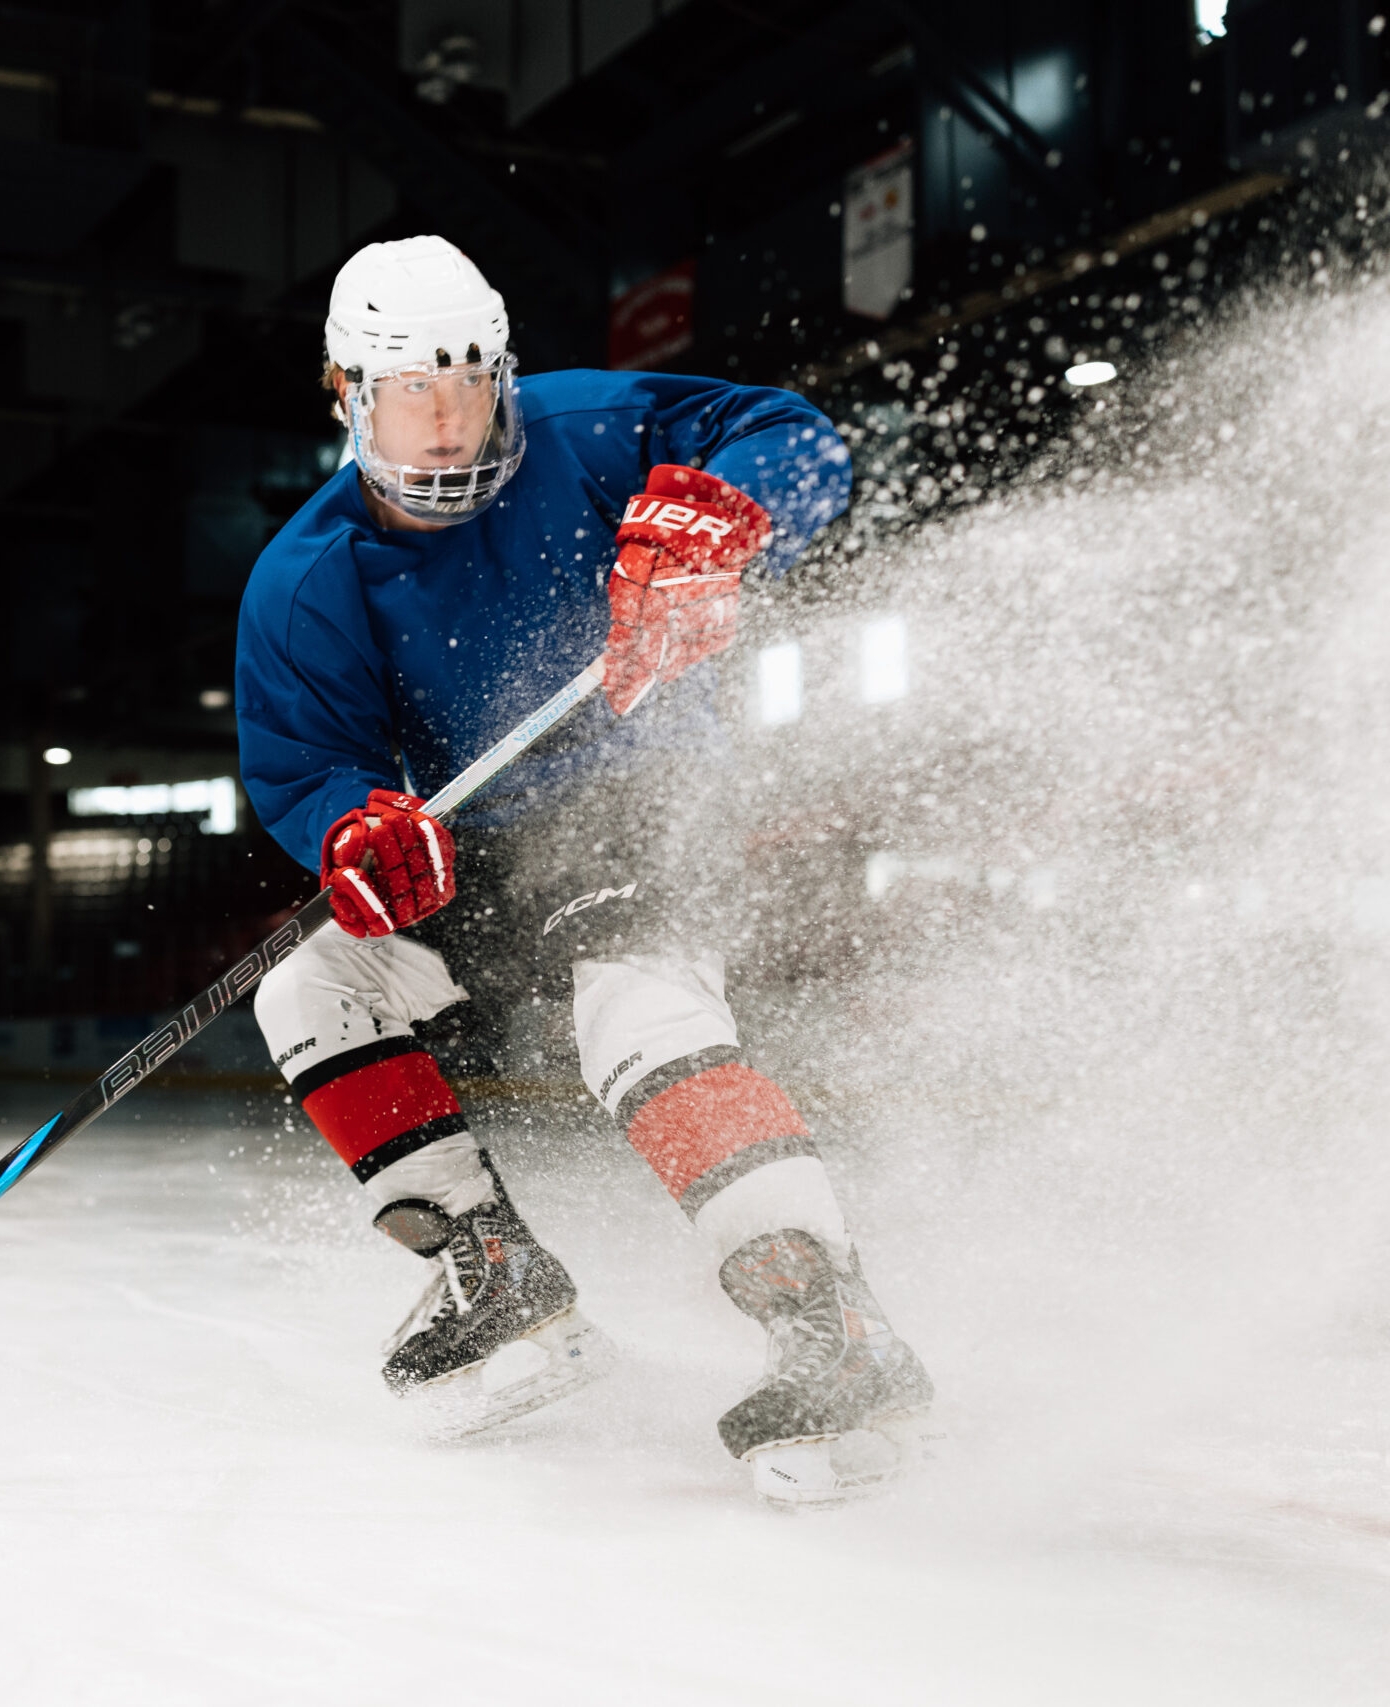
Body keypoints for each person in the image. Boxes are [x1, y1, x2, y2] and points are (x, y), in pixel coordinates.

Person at [235, 234, 936, 1503]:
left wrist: (722, 510)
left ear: (504, 369)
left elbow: (794, 437)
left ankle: (832, 1323)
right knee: (306, 986)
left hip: (639, 804)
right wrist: (355, 830)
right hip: (479, 850)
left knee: (635, 1011)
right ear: (345, 390)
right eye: (409, 390)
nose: (447, 423)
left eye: (468, 382)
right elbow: (305, 767)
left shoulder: (601, 424)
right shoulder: (303, 580)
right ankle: (492, 1269)